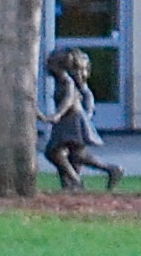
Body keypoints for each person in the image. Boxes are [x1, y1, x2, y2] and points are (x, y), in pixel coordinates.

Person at [41, 51, 121, 193]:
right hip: (68, 120)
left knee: (54, 152)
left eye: (50, 64)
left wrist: (57, 115)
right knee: (76, 155)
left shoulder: (68, 82)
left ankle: (76, 180)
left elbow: (68, 100)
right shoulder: (63, 81)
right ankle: (74, 183)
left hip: (72, 121)